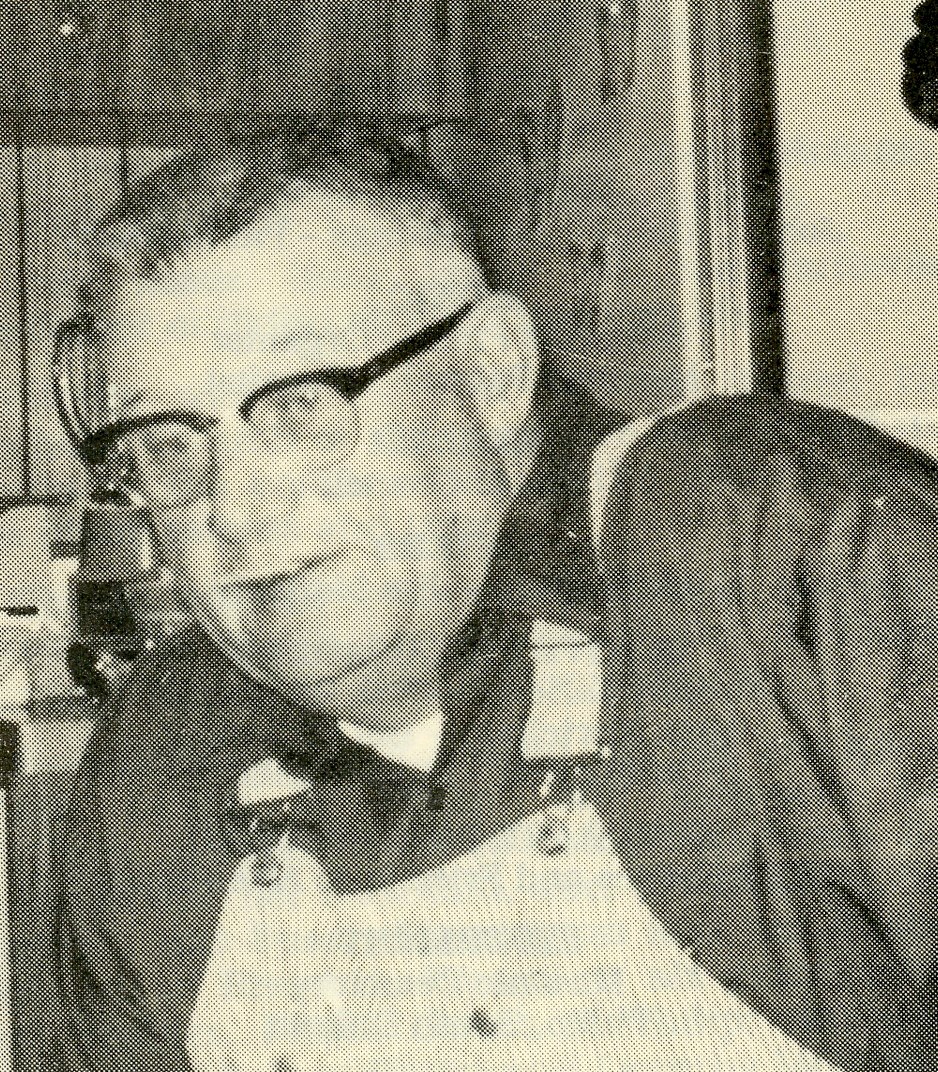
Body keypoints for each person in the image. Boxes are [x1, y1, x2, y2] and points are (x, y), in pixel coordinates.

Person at [27, 130, 938, 1071]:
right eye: (168, 444)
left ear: (491, 372)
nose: (233, 511)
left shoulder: (774, 548)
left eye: (300, 403)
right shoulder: (159, 756)